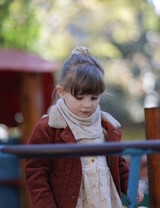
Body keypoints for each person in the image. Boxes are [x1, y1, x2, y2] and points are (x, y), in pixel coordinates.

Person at [25, 46, 144, 208]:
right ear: (61, 91)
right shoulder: (50, 127)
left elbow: (118, 163)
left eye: (94, 98)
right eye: (79, 97)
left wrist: (131, 186)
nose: (87, 105)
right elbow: (36, 172)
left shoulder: (107, 126)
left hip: (105, 201)